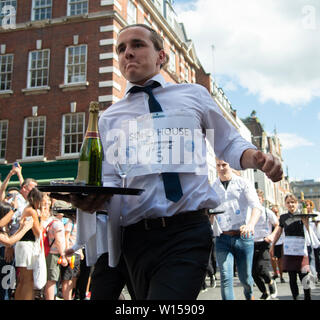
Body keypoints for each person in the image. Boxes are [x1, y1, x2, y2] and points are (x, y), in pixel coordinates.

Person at [55, 24, 283, 300]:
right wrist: (92, 200)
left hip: (187, 232)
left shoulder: (193, 95)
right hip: (135, 237)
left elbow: (228, 142)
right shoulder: (110, 118)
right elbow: (112, 180)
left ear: (161, 56)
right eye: (121, 49)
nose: (127, 53)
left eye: (137, 45)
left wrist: (257, 158)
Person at [212, 159, 262, 300]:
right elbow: (208, 211)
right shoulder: (212, 187)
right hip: (222, 238)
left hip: (243, 237)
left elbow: (256, 207)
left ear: (230, 165)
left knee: (245, 278)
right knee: (226, 278)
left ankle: (249, 294)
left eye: (224, 165)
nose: (221, 168)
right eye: (218, 165)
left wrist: (250, 225)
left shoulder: (243, 183)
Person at [270, 194, 312, 300]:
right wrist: (273, 245)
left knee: (305, 277)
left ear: (296, 203)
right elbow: (279, 232)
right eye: (288, 202)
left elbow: (309, 231)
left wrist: (305, 221)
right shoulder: (283, 217)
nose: (291, 204)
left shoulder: (302, 215)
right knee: (292, 278)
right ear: (285, 204)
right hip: (289, 251)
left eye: (293, 202)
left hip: (301, 250)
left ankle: (308, 297)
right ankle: (295, 297)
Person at [0, 201, 33, 300]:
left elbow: (9, 241)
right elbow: (9, 242)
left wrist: (21, 227)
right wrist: (25, 228)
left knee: (7, 288)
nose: (12, 219)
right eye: (9, 215)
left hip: (7, 265)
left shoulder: (5, 228)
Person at [14, 188, 43, 300]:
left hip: (23, 245)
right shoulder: (32, 211)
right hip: (27, 245)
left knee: (22, 280)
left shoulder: (27, 209)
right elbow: (38, 232)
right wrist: (43, 219)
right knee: (28, 280)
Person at [252, 189, 279, 300]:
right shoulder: (249, 212)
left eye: (258, 199)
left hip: (264, 242)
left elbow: (277, 225)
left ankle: (271, 282)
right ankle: (264, 292)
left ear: (262, 200)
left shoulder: (267, 212)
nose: (256, 201)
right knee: (253, 273)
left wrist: (272, 236)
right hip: (251, 243)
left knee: (262, 268)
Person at [41, 196, 68, 300]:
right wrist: (63, 256)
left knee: (50, 279)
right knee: (52, 280)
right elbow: (59, 241)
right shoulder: (58, 224)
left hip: (47, 252)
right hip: (54, 254)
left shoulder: (49, 221)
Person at [270, 204, 285, 283]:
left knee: (280, 259)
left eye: (276, 211)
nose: (275, 213)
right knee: (272, 258)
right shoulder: (270, 219)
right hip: (272, 240)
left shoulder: (280, 219)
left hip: (280, 240)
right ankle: (275, 273)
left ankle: (281, 276)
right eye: (273, 211)